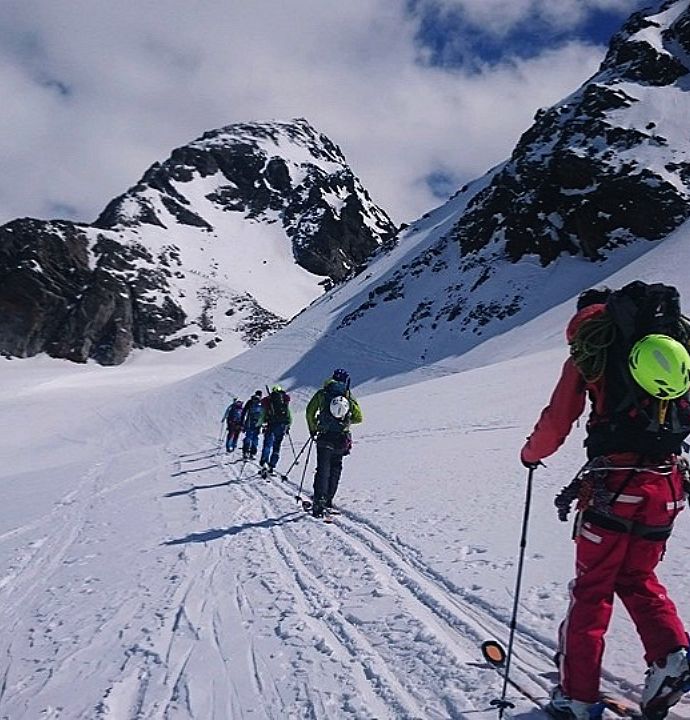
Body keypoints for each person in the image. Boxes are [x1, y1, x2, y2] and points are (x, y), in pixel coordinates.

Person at [520, 282, 690, 720]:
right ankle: (672, 655)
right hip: (667, 484)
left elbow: (558, 420)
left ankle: (577, 698)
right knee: (637, 576)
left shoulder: (591, 351)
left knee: (593, 590)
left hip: (613, 489)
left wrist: (530, 454)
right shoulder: (672, 347)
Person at [306, 368, 362, 518]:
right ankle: (328, 499)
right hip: (341, 439)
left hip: (324, 436)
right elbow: (359, 417)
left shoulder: (322, 394)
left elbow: (310, 411)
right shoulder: (348, 396)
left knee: (323, 469)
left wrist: (313, 429)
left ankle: (319, 501)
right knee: (336, 468)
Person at [259, 385, 292, 473]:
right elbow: (288, 414)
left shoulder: (269, 401)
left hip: (271, 425)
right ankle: (272, 465)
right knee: (277, 446)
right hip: (281, 426)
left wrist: (261, 424)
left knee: (267, 444)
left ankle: (264, 462)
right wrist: (288, 425)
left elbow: (263, 414)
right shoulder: (284, 401)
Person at [241, 390, 264, 460]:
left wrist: (242, 422)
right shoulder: (262, 402)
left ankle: (245, 452)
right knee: (255, 438)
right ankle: (253, 453)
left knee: (248, 437)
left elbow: (244, 411)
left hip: (249, 422)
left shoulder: (250, 401)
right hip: (258, 423)